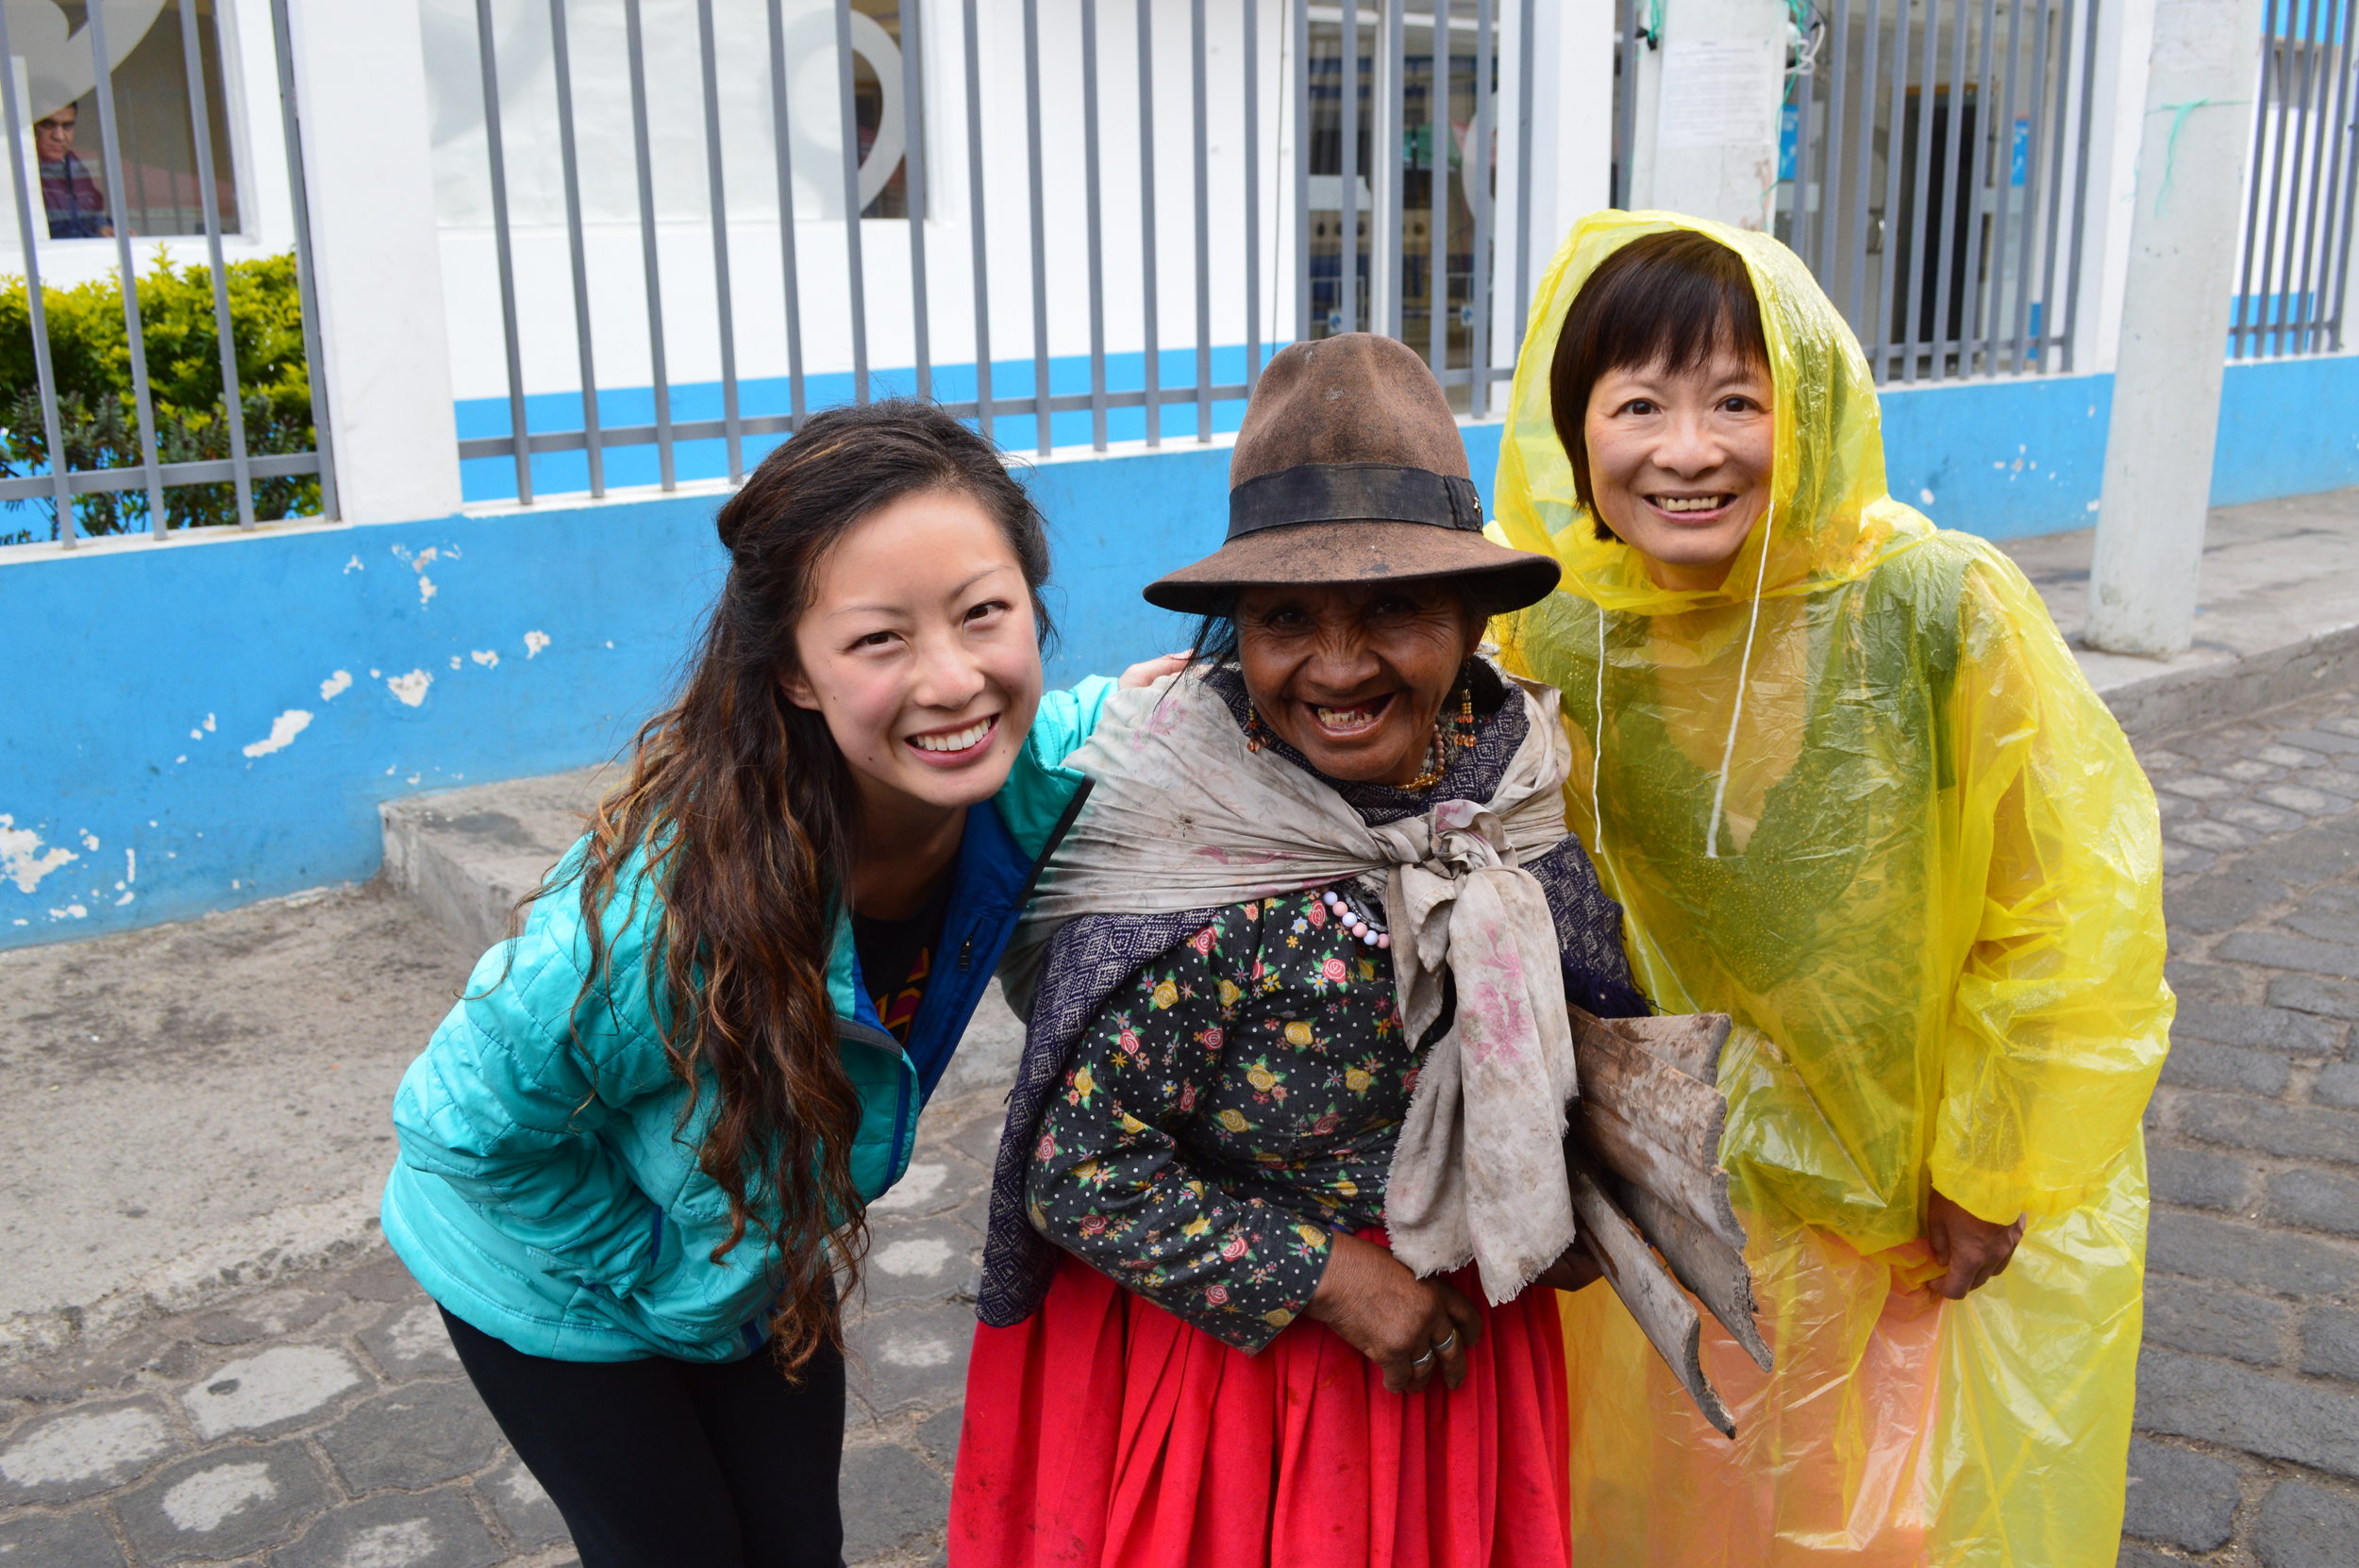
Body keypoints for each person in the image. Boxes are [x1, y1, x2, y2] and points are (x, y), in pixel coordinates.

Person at [382, 400, 1183, 1568]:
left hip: (749, 1253)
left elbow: (1114, 712)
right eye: (879, 641)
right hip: (554, 1274)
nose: (954, 680)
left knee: (800, 1544)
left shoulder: (1032, 777)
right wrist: (656, 1271)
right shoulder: (659, 914)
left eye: (983, 615)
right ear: (797, 676)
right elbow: (455, 1131)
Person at [1490, 212, 2171, 1565]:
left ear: (1806, 406)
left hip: (1905, 1217)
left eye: (1737, 397)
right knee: (1680, 1510)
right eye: (1639, 403)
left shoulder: (1932, 607)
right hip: (1675, 1206)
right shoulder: (1552, 629)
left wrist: (1991, 1163)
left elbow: (2068, 914)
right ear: (1573, 433)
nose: (1689, 449)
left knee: (1893, 1519)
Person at [949, 333, 1648, 1568]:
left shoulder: (1519, 799)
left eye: (1392, 608)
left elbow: (1598, 1032)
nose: (1335, 665)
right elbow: (1079, 1170)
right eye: (1283, 619)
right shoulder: (1203, 848)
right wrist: (1335, 1279)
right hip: (1259, 1389)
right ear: (1234, 631)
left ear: (1476, 615)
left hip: (1464, 1371)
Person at [35, 104, 111, 239]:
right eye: (47, 125)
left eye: (67, 126)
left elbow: (88, 217)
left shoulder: (75, 166)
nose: (59, 136)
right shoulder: (18, 171)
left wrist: (103, 228)